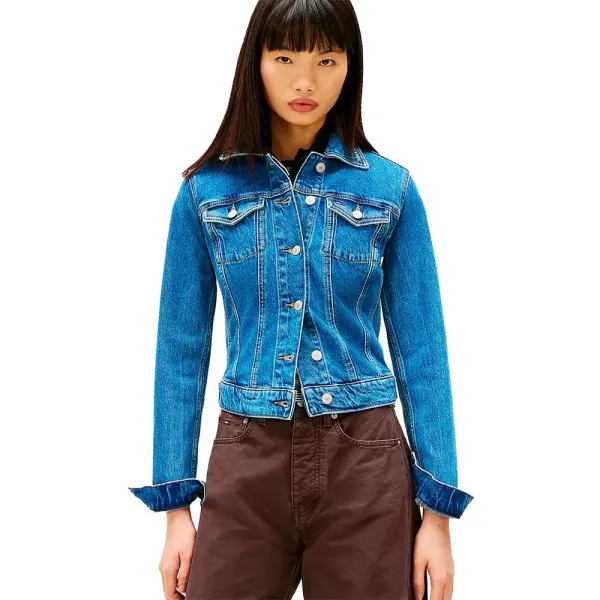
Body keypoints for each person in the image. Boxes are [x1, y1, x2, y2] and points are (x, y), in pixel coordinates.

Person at [128, 1, 474, 598]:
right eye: (285, 58)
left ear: (350, 66)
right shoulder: (205, 192)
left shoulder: (389, 189)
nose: (305, 81)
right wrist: (175, 509)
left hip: (365, 462)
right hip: (246, 457)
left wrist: (437, 518)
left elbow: (423, 352)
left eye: (326, 60)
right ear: (256, 64)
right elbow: (179, 352)